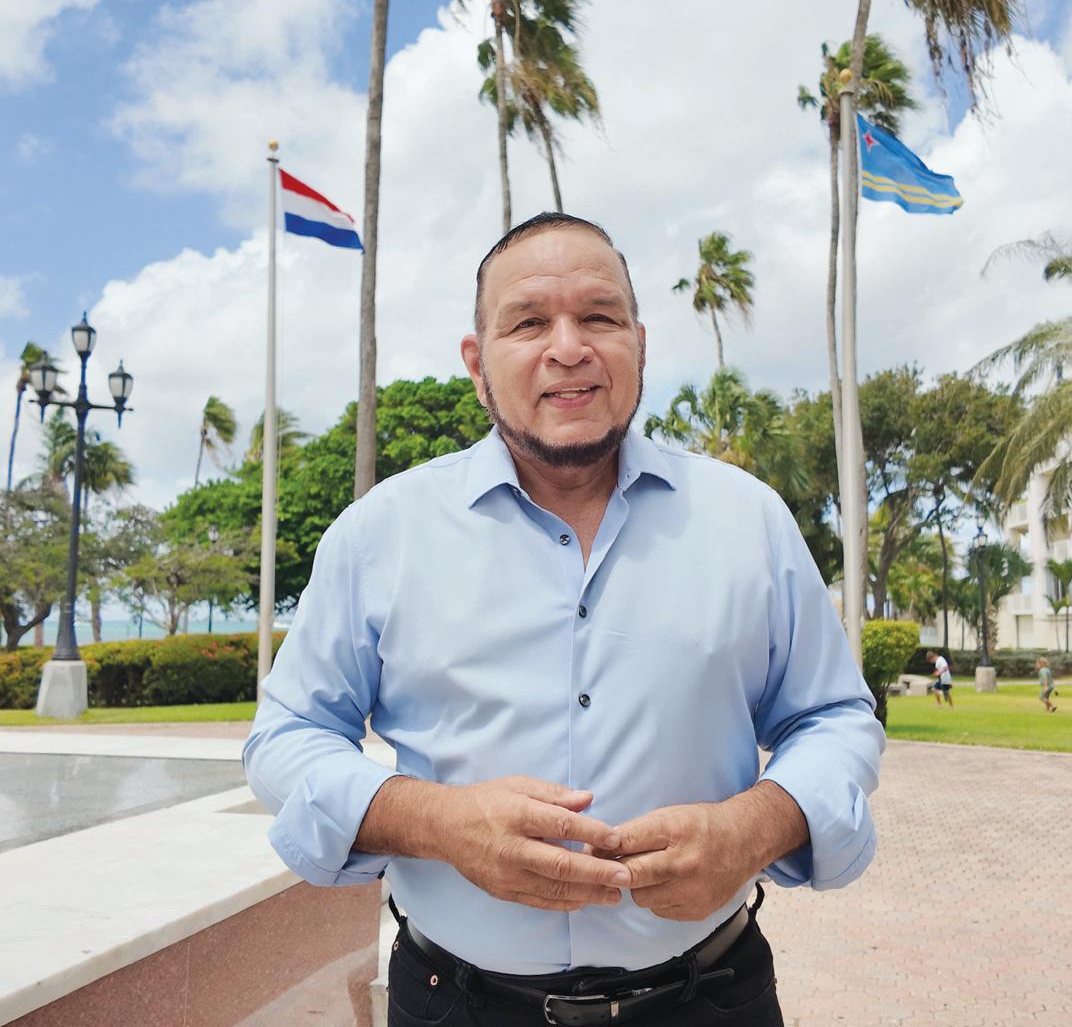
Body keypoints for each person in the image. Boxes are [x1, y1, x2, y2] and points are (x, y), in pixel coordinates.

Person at [243, 213, 885, 1026]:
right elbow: (287, 737)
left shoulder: (747, 519)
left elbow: (834, 718)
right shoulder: (380, 533)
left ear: (639, 344)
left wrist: (755, 827)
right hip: (455, 1004)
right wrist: (436, 821)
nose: (569, 347)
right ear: (477, 363)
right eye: (528, 323)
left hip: (710, 996)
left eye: (599, 316)